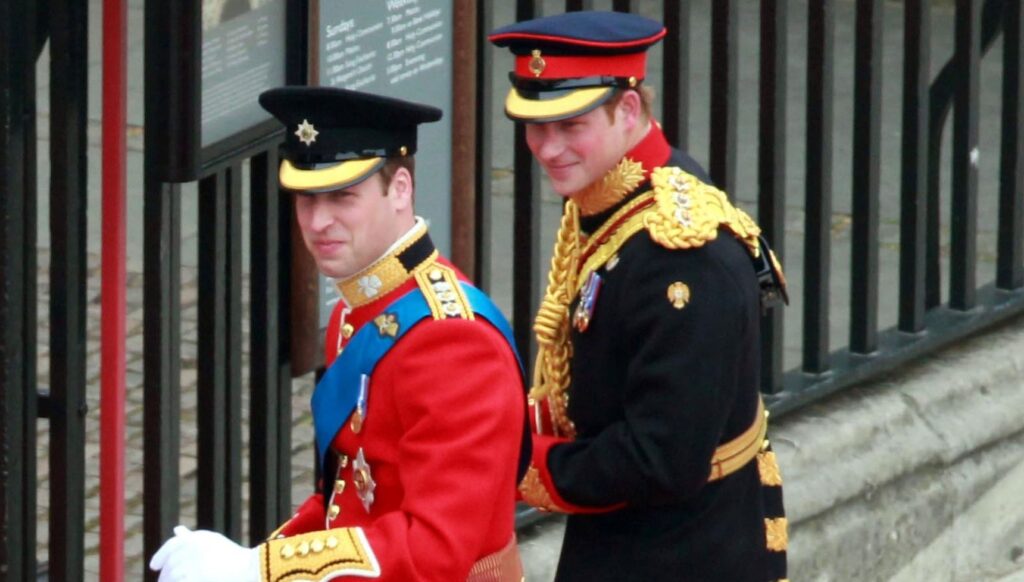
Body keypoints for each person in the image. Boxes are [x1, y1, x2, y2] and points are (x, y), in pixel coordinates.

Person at [149, 87, 528, 582]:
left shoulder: (454, 342)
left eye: (342, 196)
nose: (318, 222)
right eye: (306, 198)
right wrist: (251, 560)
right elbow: (347, 498)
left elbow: (433, 551)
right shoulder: (361, 308)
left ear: (400, 189)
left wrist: (258, 569)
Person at [490, 10, 789, 581]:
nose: (547, 148)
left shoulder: (683, 258)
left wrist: (521, 464)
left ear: (628, 110)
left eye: (570, 125)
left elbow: (661, 459)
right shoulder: (615, 194)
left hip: (685, 552)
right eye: (535, 126)